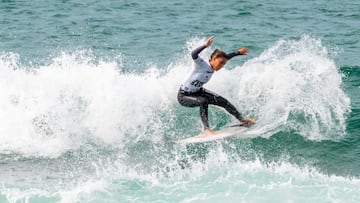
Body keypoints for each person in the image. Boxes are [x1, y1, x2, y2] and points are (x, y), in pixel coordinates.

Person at [177, 36, 256, 135]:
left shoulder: (213, 66)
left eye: (223, 64)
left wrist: (238, 53)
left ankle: (242, 119)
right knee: (203, 101)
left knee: (223, 101)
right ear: (214, 59)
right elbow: (193, 54)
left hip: (197, 91)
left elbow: (226, 57)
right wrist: (205, 46)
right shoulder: (201, 64)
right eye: (220, 63)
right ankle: (206, 129)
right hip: (184, 96)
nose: (221, 66)